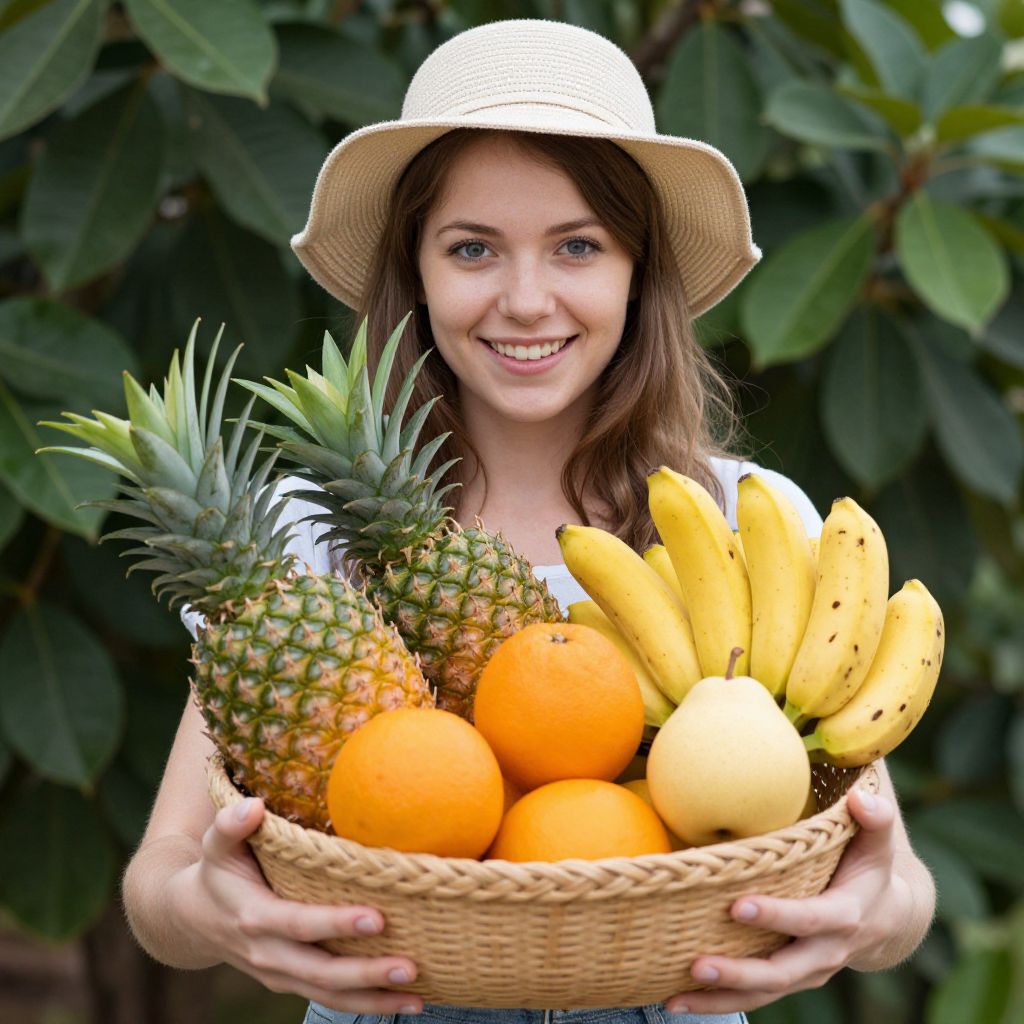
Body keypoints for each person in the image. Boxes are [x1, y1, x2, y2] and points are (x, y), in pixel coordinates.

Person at [121, 18, 936, 1024]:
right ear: (413, 271)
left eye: (577, 247)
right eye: (471, 248)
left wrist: (874, 913)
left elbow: (889, 871)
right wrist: (211, 910)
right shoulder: (304, 538)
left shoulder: (741, 523)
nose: (523, 299)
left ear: (639, 273)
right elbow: (157, 881)